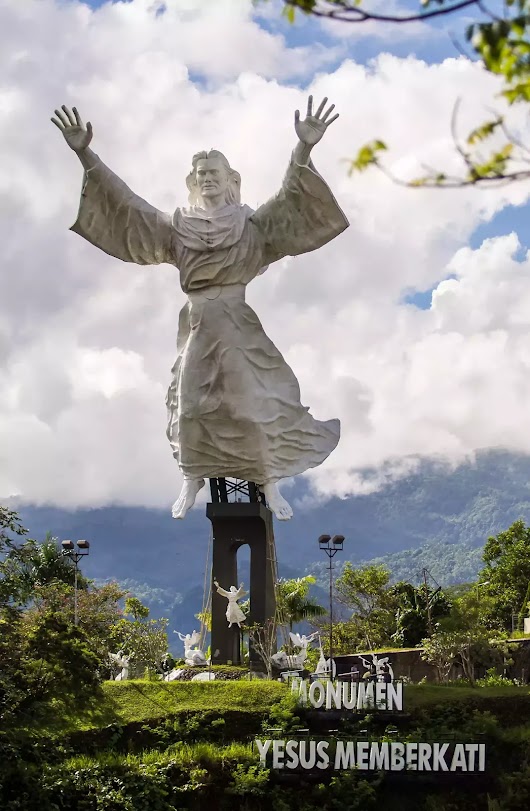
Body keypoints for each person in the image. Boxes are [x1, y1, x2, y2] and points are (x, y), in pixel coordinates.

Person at [51, 97, 349, 521]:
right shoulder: (178, 226)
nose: (208, 178)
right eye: (202, 173)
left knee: (252, 407)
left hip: (236, 322)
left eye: (215, 173)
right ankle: (192, 476)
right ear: (193, 180)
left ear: (230, 180)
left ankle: (270, 481)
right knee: (190, 405)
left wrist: (304, 148)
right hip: (198, 323)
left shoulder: (251, 225)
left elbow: (291, 198)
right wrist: (85, 154)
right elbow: (126, 205)